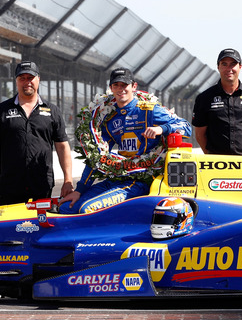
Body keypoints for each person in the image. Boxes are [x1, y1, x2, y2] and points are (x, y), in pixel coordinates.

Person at [59, 68, 192, 214]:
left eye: (124, 85)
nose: (120, 89)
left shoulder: (149, 110)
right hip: (118, 177)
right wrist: (79, 190)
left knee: (87, 208)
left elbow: (186, 127)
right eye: (116, 85)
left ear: (133, 86)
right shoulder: (109, 117)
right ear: (111, 88)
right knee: (67, 207)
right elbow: (97, 157)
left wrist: (162, 129)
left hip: (142, 180)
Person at [0, 61, 74, 206]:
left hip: (42, 185)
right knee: (10, 227)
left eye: (30, 78)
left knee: (40, 227)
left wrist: (68, 180)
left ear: (38, 79)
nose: (27, 82)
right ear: (16, 81)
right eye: (22, 78)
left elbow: (62, 147)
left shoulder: (53, 111)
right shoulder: (1, 110)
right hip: (9, 186)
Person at [192, 48, 242, 156]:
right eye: (224, 64)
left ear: (240, 67)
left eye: (233, 64)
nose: (229, 69)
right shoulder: (205, 98)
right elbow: (200, 134)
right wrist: (210, 156)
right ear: (218, 67)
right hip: (217, 164)